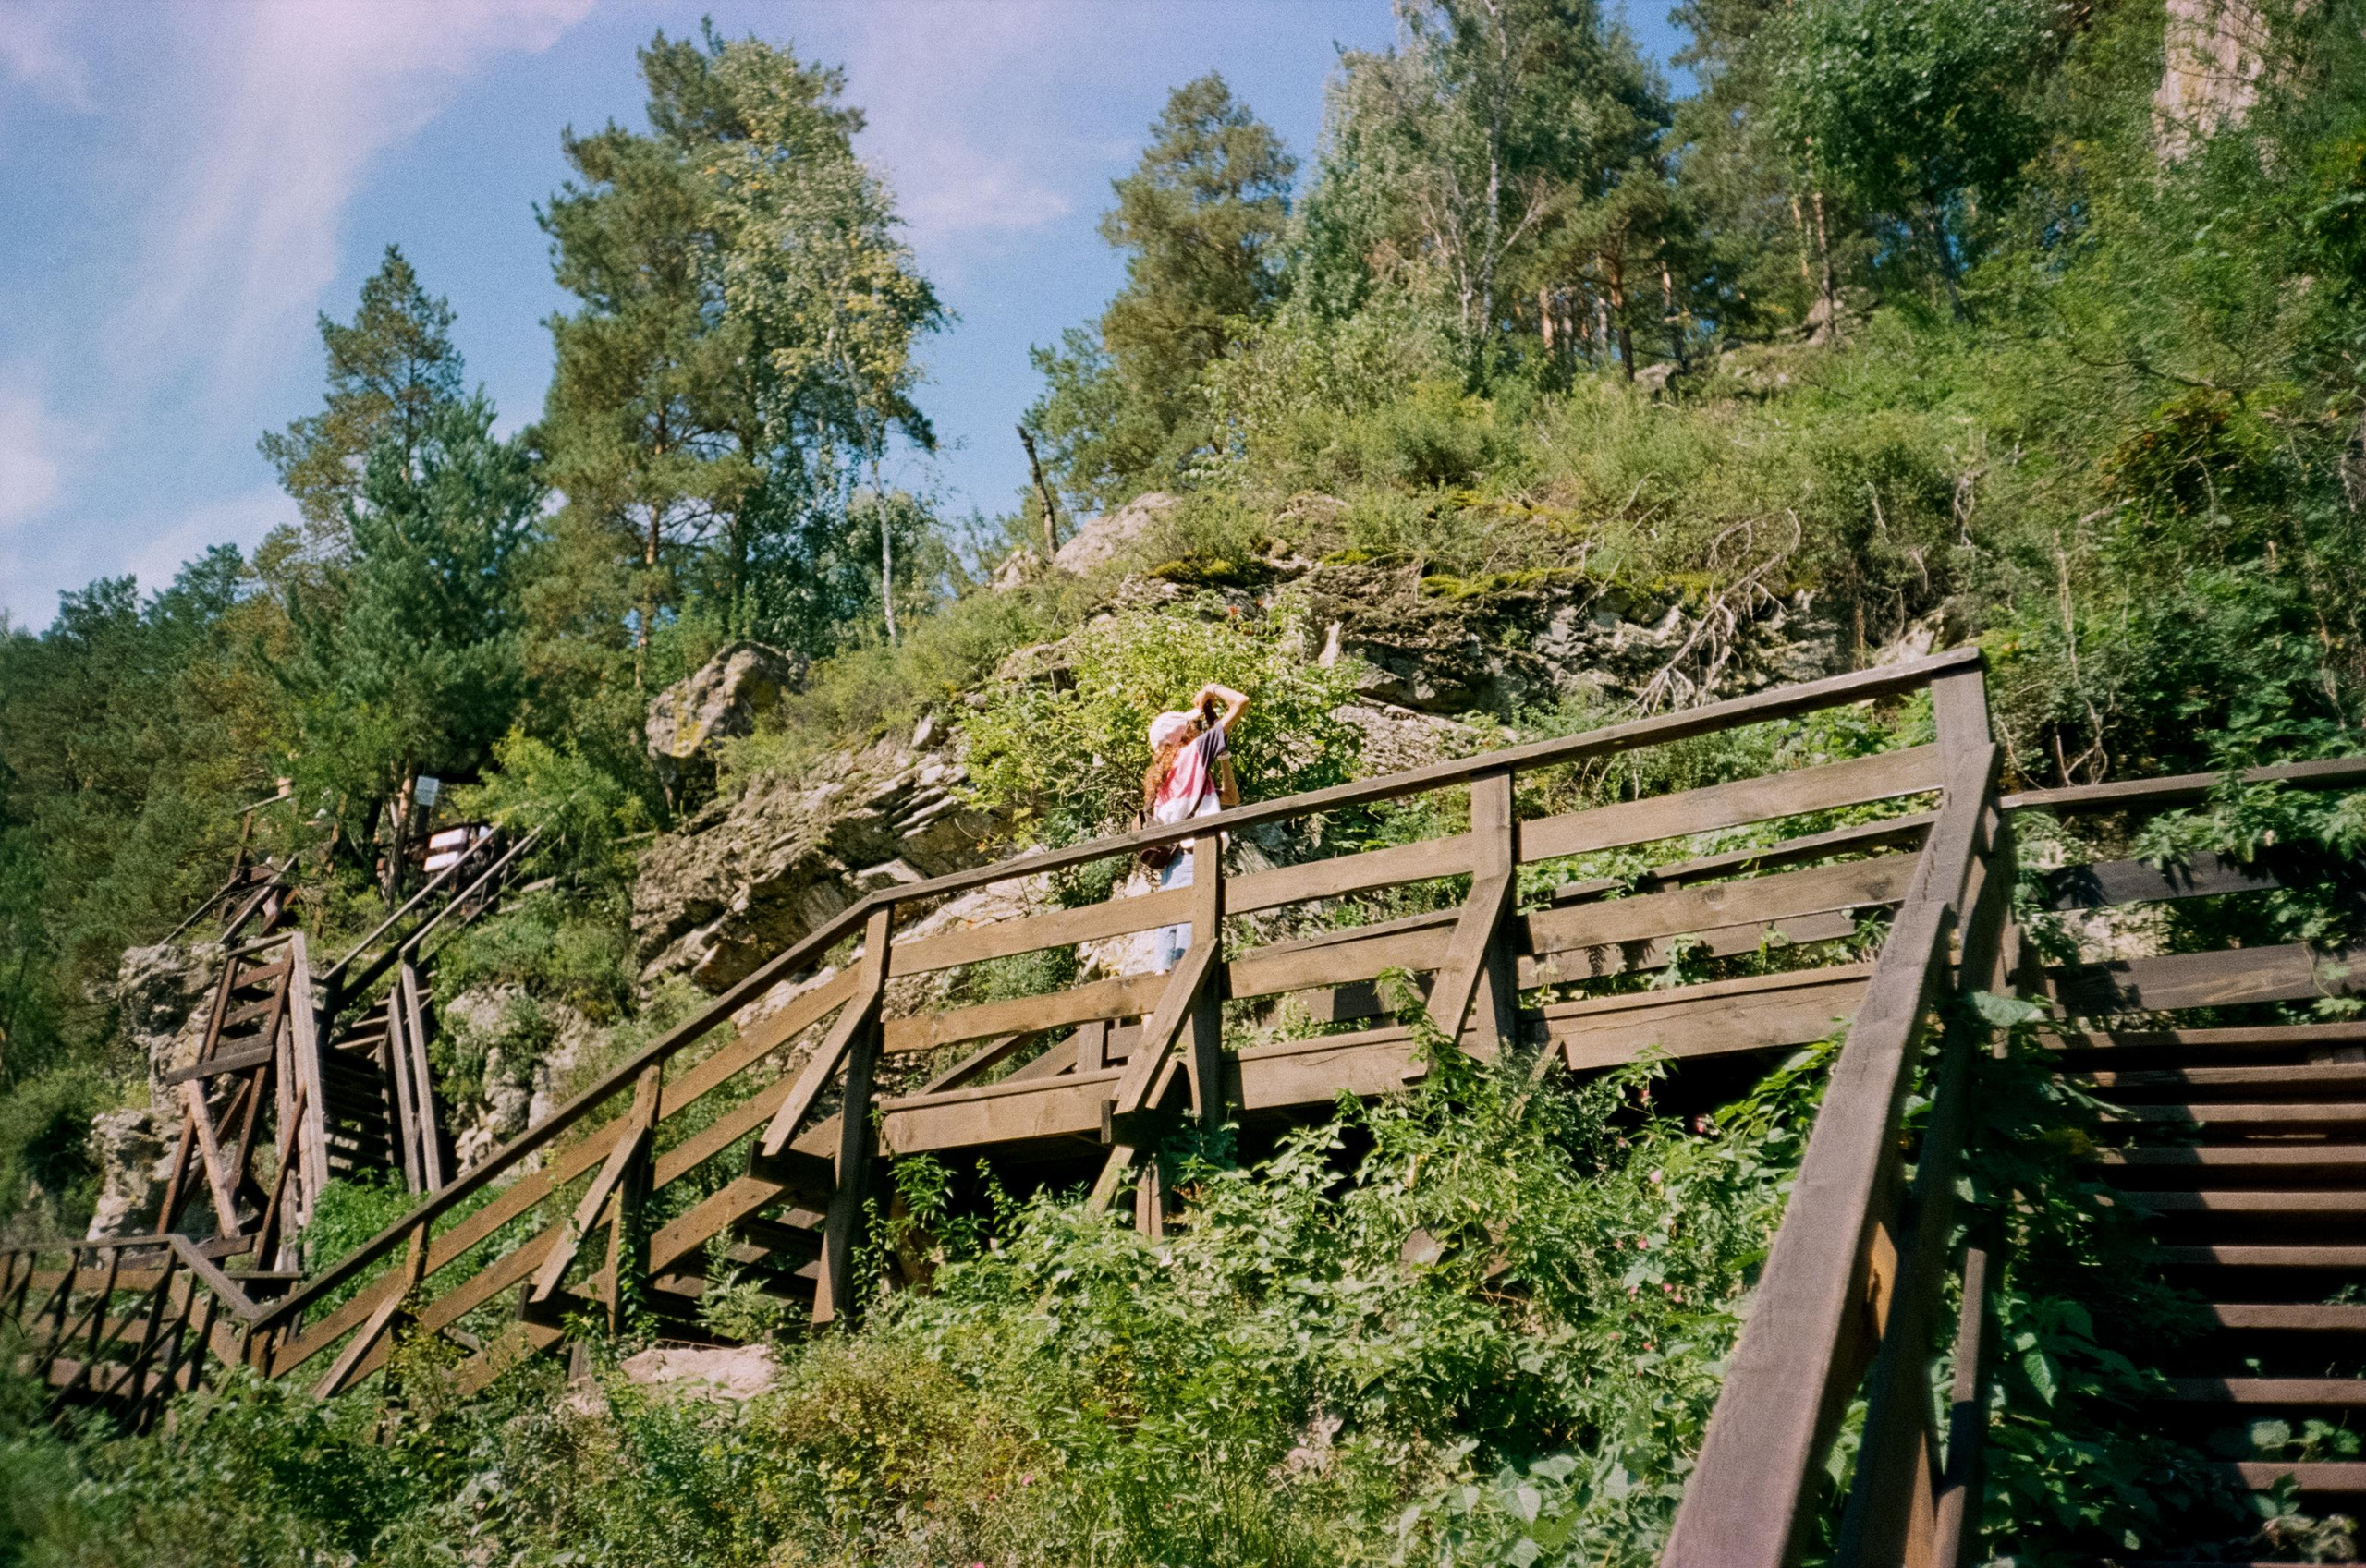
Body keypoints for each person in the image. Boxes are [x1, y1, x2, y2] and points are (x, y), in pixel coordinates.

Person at [1143, 682, 1248, 971]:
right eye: (1193, 724)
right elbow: (1241, 702)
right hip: (1195, 856)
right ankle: (1185, 987)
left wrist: (1223, 756)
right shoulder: (1193, 754)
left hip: (1172, 863)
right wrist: (1211, 689)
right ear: (1183, 734)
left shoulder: (1163, 776)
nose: (1198, 727)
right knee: (1190, 938)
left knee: (1169, 931)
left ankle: (1161, 991)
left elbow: (1231, 797)